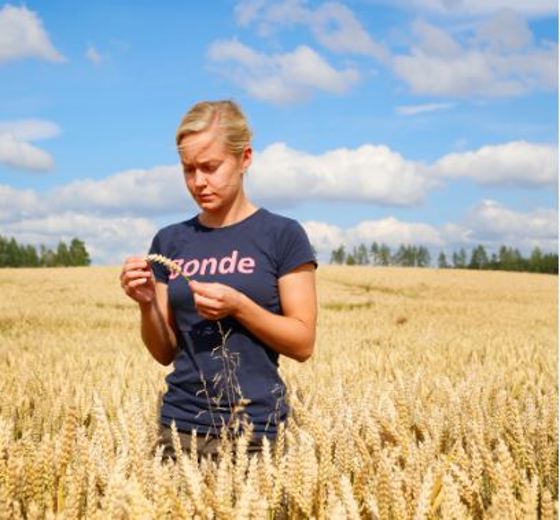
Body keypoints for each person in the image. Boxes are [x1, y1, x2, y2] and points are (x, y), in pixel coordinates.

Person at [119, 100, 318, 462]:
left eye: (210, 168)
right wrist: (146, 302)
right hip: (179, 430)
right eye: (188, 170)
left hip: (258, 432)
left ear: (245, 159)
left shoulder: (283, 236)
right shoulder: (169, 241)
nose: (198, 182)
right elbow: (163, 352)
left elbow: (303, 343)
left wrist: (239, 306)